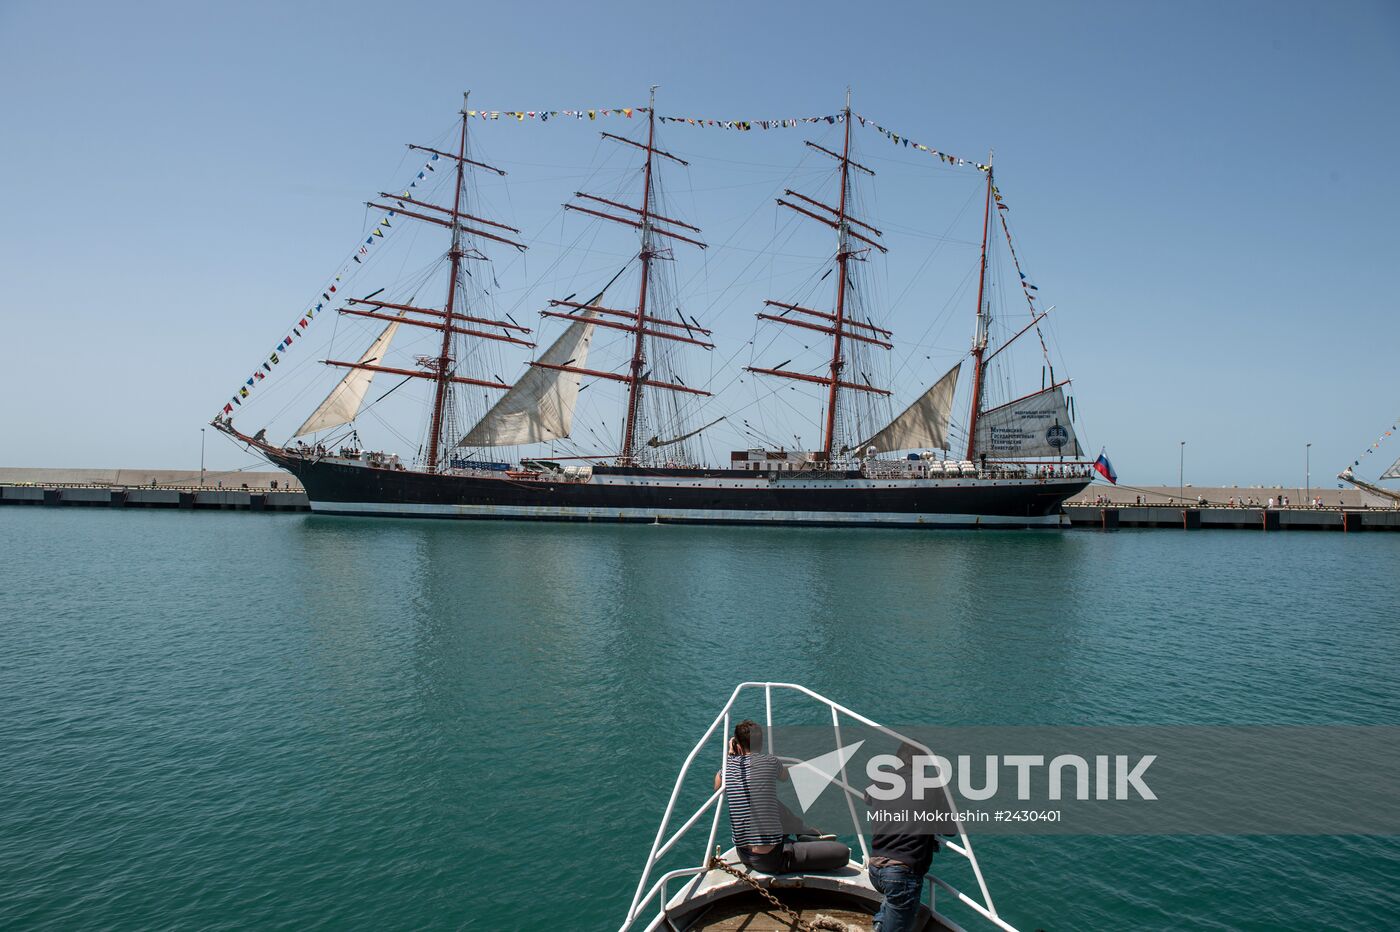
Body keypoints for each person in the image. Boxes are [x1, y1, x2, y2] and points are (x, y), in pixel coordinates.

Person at [715, 720, 850, 875]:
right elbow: (784, 776)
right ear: (761, 744)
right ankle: (803, 837)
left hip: (743, 853)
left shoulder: (729, 766)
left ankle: (804, 833)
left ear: (737, 745)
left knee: (773, 804)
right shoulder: (771, 761)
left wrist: (730, 756)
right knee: (842, 852)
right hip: (770, 859)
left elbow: (717, 786)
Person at [865, 743, 955, 932]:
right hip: (901, 876)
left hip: (875, 869)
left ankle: (881, 923)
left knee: (893, 900)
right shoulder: (931, 786)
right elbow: (950, 829)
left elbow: (867, 797)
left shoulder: (884, 779)